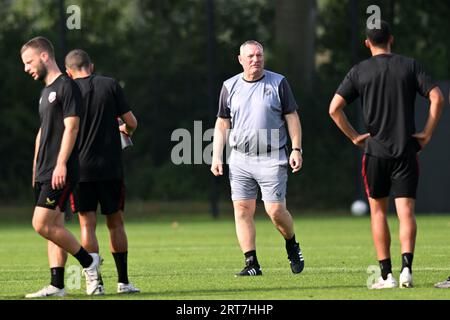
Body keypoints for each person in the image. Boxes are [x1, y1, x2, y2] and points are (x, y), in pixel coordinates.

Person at [329, 21, 444, 289]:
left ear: (367, 43)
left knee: (378, 213)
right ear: (391, 39)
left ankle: (386, 276)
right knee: (406, 212)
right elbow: (437, 98)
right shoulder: (410, 66)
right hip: (406, 150)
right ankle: (407, 271)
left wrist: (355, 136)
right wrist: (426, 133)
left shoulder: (359, 70)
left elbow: (334, 109)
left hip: (376, 153)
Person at [211, 40, 305, 276]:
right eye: (251, 56)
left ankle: (292, 244)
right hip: (240, 158)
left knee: (274, 210)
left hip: (272, 157)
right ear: (241, 60)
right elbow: (223, 122)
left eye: (259, 55)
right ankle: (252, 263)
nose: (256, 60)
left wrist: (296, 149)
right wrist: (216, 155)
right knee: (242, 209)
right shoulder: (229, 86)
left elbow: (291, 116)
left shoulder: (278, 82)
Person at [20, 36, 102, 298]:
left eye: (29, 61)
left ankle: (89, 263)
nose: (26, 68)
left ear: (44, 56)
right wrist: (36, 167)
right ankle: (57, 285)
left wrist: (61, 164)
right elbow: (42, 133)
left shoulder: (67, 86)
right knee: (52, 229)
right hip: (44, 170)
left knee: (41, 224)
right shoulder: (45, 92)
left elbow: (72, 126)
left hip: (59, 169)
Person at [64, 49, 139, 294]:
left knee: (87, 226)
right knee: (115, 224)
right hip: (110, 168)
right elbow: (132, 122)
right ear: (91, 66)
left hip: (80, 170)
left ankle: (95, 284)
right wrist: (125, 131)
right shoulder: (110, 85)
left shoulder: (66, 90)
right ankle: (124, 282)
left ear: (68, 71)